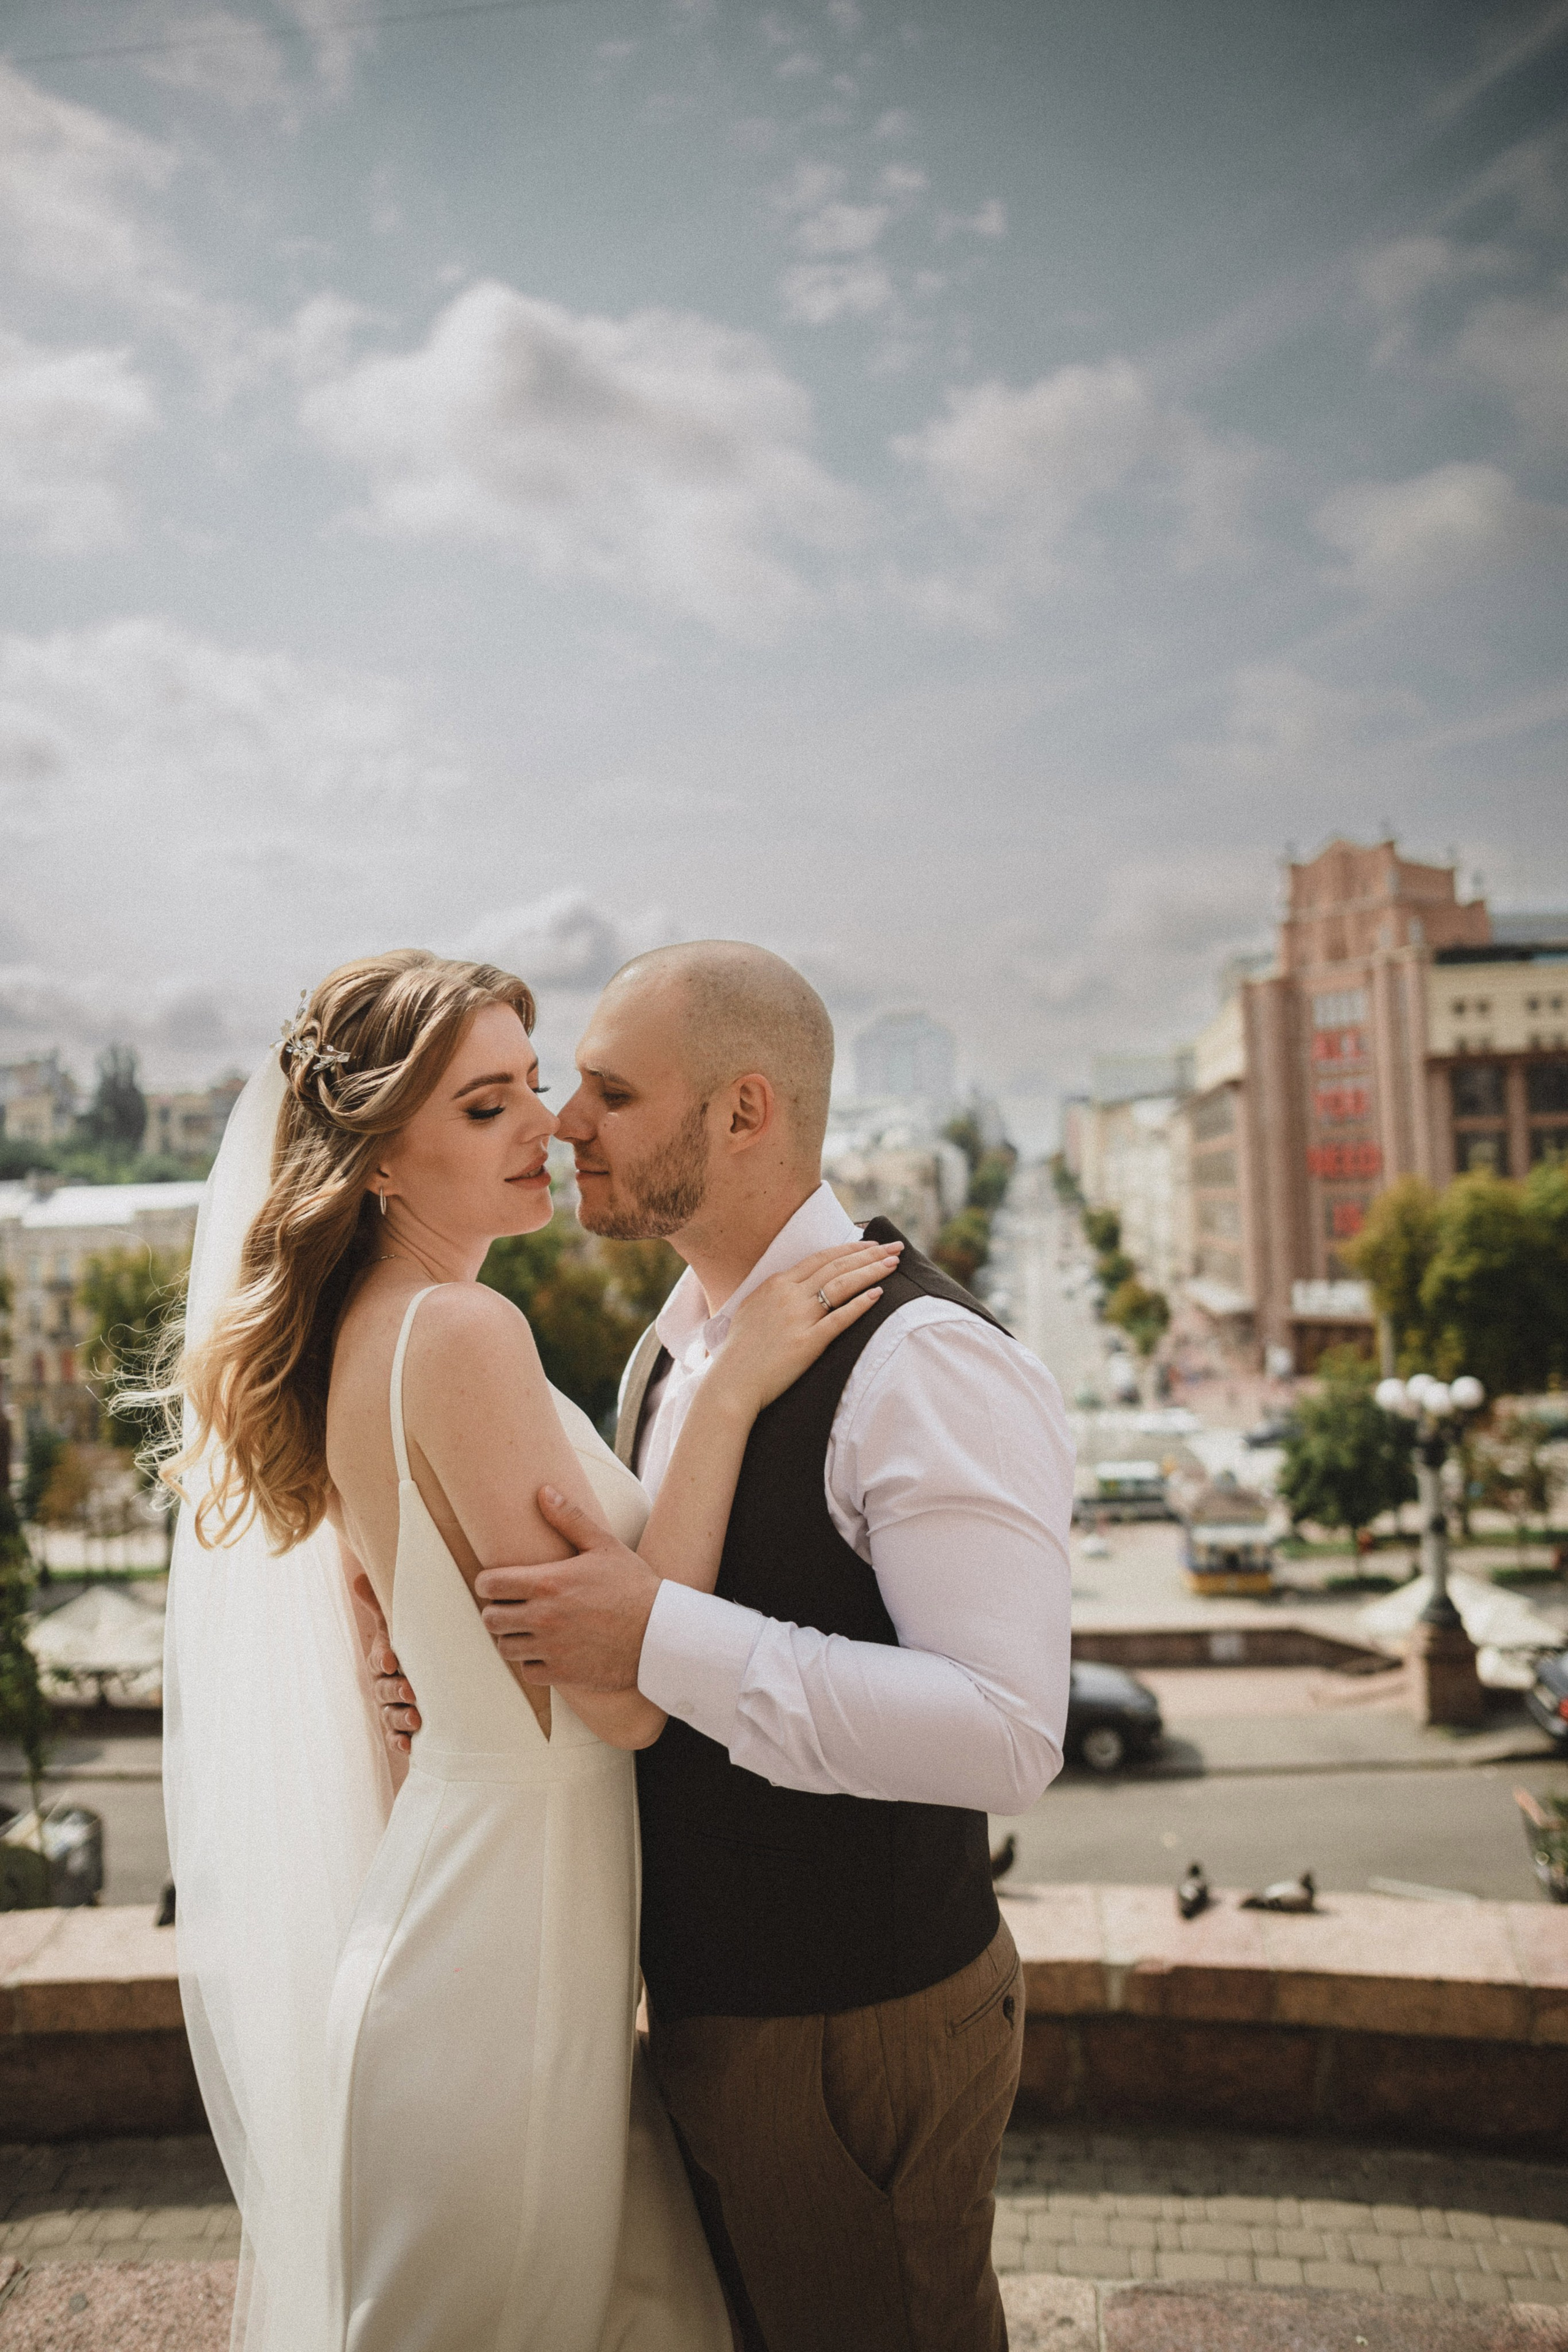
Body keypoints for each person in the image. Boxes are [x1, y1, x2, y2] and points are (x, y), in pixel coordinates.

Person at [159, 948, 899, 2352]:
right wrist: (735, 1388)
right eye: (484, 1108)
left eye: (536, 1088)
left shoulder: (380, 1333)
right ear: (378, 1159)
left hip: (498, 1919)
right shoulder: (458, 1328)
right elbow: (619, 1704)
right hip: (502, 1962)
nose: (546, 1131)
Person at [377, 942, 1074, 2352]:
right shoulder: (672, 1344)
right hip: (710, 2010)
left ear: (743, 1114)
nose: (565, 1122)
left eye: (609, 1092)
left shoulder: (921, 1359)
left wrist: (658, 1636)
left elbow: (1006, 1731)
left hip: (855, 2026)